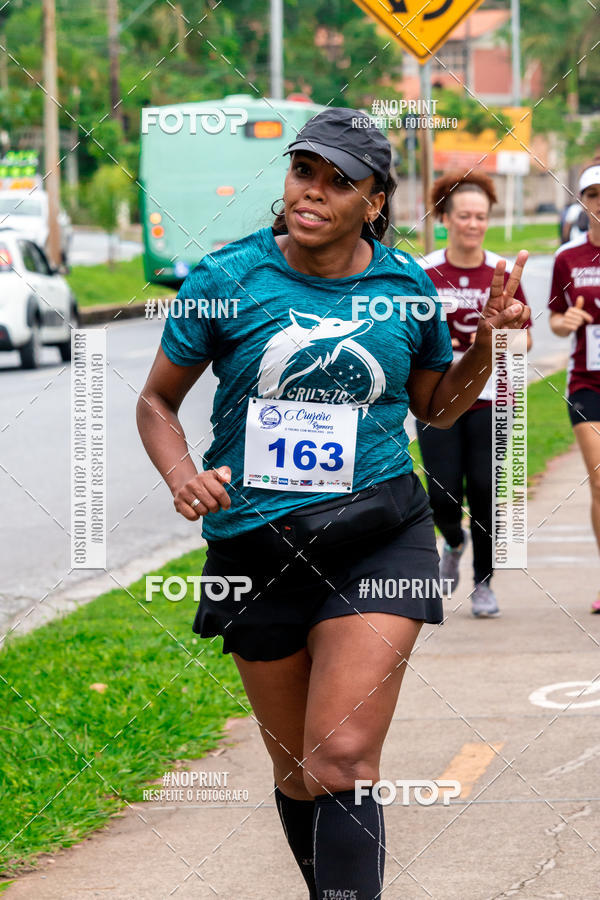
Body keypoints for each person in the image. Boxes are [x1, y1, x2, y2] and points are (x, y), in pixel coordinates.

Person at [136, 108, 529, 899]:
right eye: (303, 171)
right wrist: (183, 475)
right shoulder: (226, 279)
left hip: (379, 534)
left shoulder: (403, 285)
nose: (312, 191)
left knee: (339, 754)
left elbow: (439, 409)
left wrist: (484, 343)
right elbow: (156, 402)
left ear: (375, 201)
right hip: (254, 547)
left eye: (339, 180)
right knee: (296, 769)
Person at [417, 172, 532, 618]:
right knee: (443, 493)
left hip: (492, 399)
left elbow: (526, 343)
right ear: (445, 218)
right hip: (438, 400)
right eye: (464, 215)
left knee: (484, 490)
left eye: (481, 217)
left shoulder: (503, 272)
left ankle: (483, 583)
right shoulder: (425, 272)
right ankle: (453, 539)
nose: (473, 224)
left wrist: (499, 337)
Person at [549, 157, 600, 614]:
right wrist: (566, 322)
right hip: (587, 384)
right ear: (583, 203)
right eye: (594, 196)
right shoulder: (568, 257)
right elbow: (555, 321)